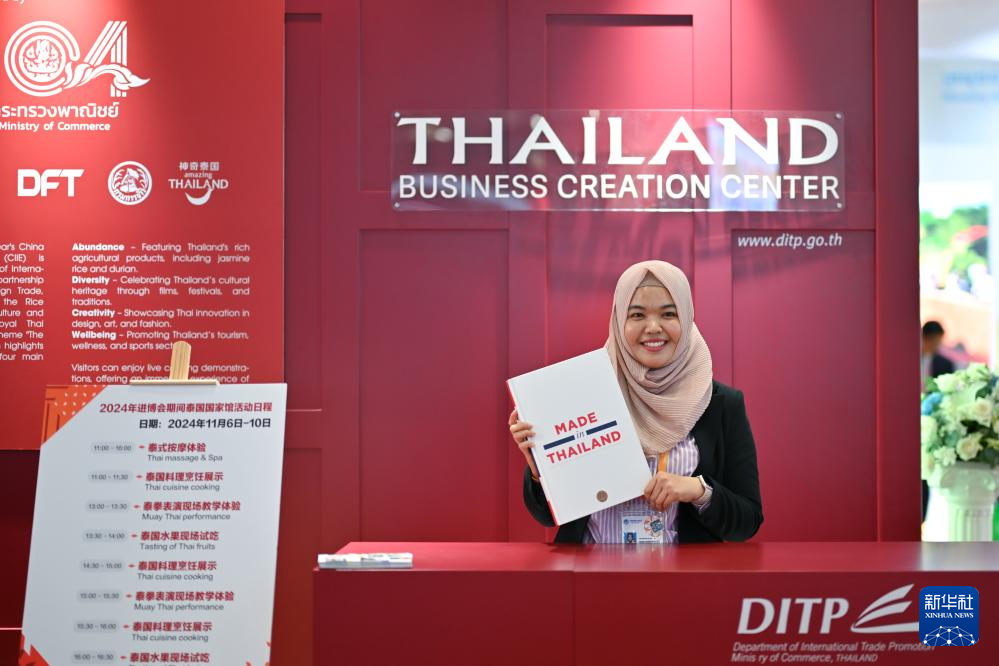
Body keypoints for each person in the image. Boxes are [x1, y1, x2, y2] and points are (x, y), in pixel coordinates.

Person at [509, 260, 763, 544]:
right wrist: (540, 468)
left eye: (669, 313)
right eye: (637, 315)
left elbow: (747, 521)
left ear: (687, 317)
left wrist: (698, 490)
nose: (653, 327)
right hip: (590, 568)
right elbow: (547, 516)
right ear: (619, 321)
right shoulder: (582, 394)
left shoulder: (722, 405)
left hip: (683, 571)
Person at [921, 321, 955, 390]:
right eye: (932, 339)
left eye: (938, 340)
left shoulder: (945, 364)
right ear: (924, 337)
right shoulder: (913, 359)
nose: (936, 343)